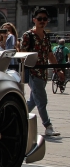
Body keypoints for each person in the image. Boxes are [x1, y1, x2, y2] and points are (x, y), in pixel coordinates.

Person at [22, 8, 60, 137]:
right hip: (33, 73)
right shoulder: (28, 35)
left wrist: (58, 69)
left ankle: (16, 117)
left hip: (43, 74)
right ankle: (48, 126)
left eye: (44, 19)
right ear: (34, 20)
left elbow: (50, 54)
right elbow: (22, 54)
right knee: (42, 100)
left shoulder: (46, 36)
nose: (42, 21)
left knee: (33, 101)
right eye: (39, 19)